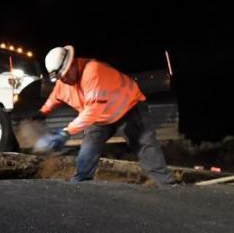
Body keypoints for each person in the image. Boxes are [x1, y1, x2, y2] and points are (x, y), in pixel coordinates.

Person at [34, 45, 175, 185]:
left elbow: (92, 111)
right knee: (88, 147)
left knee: (144, 144)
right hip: (101, 117)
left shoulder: (93, 70)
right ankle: (80, 184)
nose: (63, 80)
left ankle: (167, 185)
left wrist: (65, 133)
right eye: (59, 77)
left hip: (128, 108)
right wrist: (43, 112)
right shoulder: (63, 81)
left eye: (64, 75)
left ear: (72, 64)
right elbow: (56, 96)